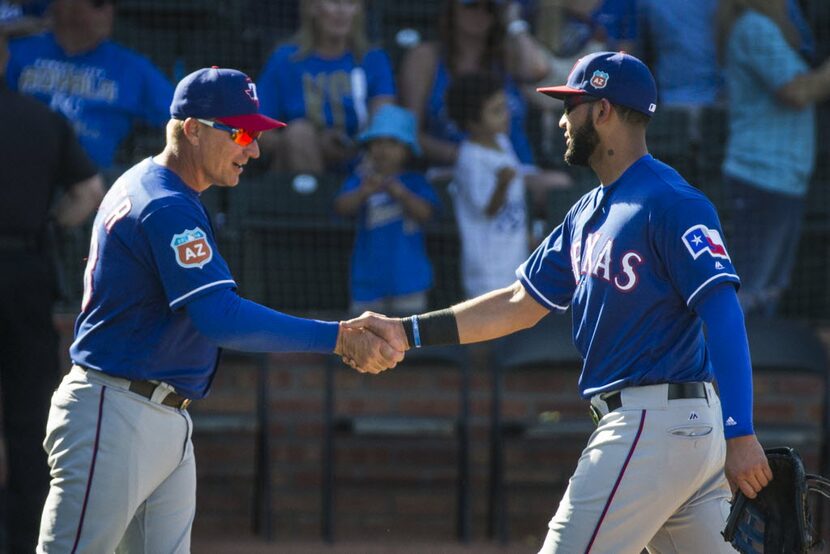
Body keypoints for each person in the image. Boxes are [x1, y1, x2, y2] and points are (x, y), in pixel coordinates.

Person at [345, 52, 772, 553]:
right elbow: (518, 302)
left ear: (604, 112)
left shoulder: (673, 202)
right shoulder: (586, 212)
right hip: (670, 433)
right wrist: (409, 331)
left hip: (651, 426)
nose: (562, 118)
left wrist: (740, 431)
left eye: (573, 105)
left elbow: (722, 313)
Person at [36, 66, 404, 553]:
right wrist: (337, 337)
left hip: (156, 414)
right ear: (192, 129)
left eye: (255, 135)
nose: (252, 149)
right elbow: (220, 318)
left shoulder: (158, 186)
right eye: (241, 133)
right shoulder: (165, 203)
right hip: (116, 411)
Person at [0, 30, 103, 554]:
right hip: (24, 270)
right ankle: (22, 542)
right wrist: (51, 228)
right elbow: (89, 191)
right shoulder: (43, 119)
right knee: (27, 415)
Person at [715, 0, 830, 317]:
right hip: (762, 175)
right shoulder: (755, 27)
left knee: (769, 288)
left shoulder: (758, 27)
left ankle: (751, 363)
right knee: (753, 288)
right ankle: (733, 365)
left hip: (779, 176)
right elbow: (796, 92)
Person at [399, 0, 570, 199]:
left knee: (558, 184)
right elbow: (410, 133)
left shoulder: (506, 54)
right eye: (471, 5)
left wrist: (513, 21)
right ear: (451, 9)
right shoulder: (426, 57)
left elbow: (537, 70)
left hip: (515, 169)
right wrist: (474, 157)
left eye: (489, 7)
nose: (480, 13)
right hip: (453, 172)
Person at [5, 0, 174, 168]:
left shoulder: (131, 67)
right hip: (21, 169)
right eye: (98, 3)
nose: (108, 11)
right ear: (65, 4)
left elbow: (179, 112)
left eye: (113, 4)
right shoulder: (17, 53)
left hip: (94, 180)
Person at [257, 0, 395, 175]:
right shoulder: (286, 59)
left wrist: (353, 147)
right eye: (334, 2)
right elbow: (258, 131)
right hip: (296, 165)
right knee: (299, 133)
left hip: (361, 163)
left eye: (350, 3)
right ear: (312, 7)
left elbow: (384, 121)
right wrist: (311, 145)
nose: (342, 11)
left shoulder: (373, 59)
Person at [334, 104, 439, 316]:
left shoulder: (415, 182)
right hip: (367, 284)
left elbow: (426, 213)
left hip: (409, 281)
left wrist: (400, 193)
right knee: (363, 342)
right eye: (377, 142)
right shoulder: (360, 180)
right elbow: (341, 207)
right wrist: (363, 192)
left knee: (409, 343)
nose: (382, 149)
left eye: (392, 143)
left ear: (407, 149)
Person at [447, 73, 529, 298]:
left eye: (505, 107)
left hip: (515, 264)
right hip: (487, 274)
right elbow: (488, 209)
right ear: (472, 121)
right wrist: (502, 184)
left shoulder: (503, 142)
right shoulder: (470, 157)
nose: (506, 115)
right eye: (496, 111)